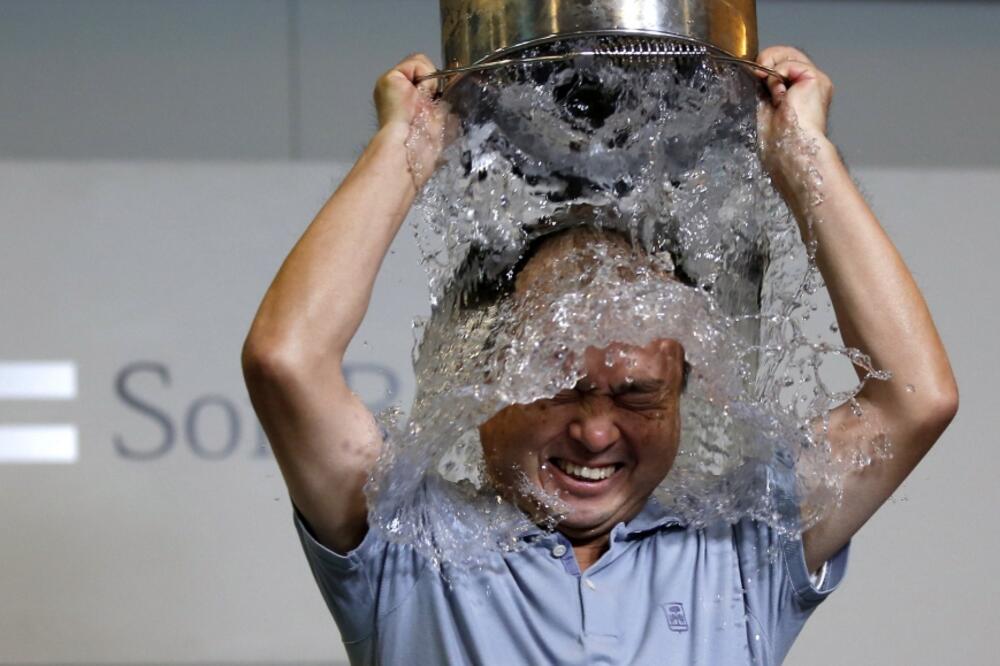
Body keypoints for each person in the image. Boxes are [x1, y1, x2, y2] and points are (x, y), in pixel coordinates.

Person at [241, 46, 958, 665]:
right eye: (557, 384)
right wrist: (407, 149)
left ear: (682, 393)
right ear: (487, 378)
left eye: (638, 395)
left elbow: (913, 398)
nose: (593, 430)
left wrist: (804, 158)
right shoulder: (404, 539)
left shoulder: (745, 549)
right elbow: (287, 359)